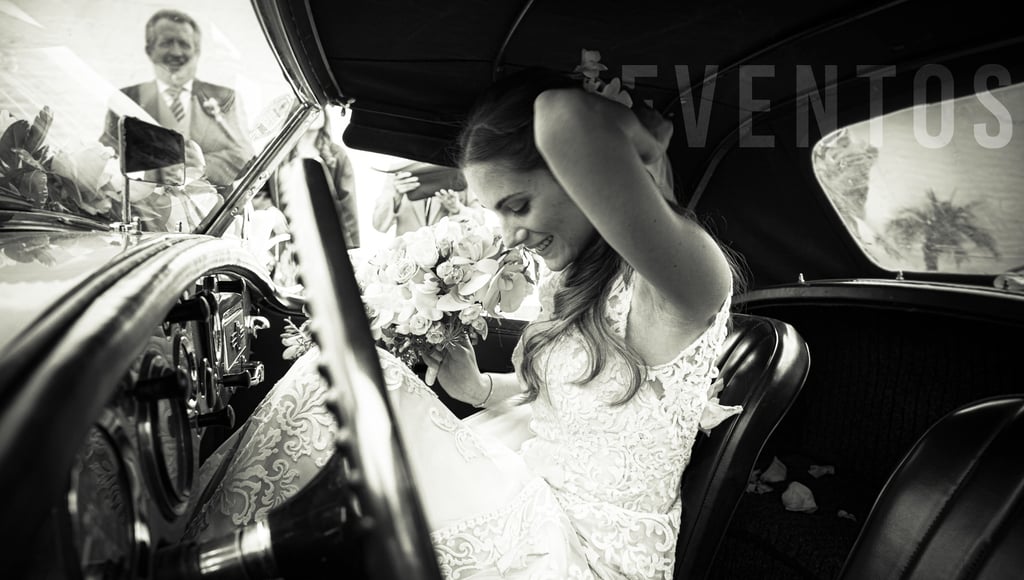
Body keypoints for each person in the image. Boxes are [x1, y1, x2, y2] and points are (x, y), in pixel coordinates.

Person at [187, 66, 745, 579]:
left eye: (518, 205)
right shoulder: (570, 286)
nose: (508, 234)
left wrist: (646, 145)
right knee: (348, 386)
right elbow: (573, 399)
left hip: (583, 555)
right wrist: (477, 388)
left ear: (582, 176)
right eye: (495, 211)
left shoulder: (682, 290)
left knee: (351, 399)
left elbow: (562, 117)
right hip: (536, 498)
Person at [100, 9, 254, 187]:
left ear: (197, 51)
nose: (176, 52)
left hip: (215, 204)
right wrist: (149, 173)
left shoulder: (225, 98)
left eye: (184, 44)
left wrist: (202, 166)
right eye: (166, 43)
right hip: (143, 203)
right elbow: (108, 156)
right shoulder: (126, 99)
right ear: (150, 50)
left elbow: (244, 156)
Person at [279, 108, 361, 249]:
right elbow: (262, 191)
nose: (316, 112)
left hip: (323, 237)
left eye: (320, 108)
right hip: (286, 234)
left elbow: (347, 206)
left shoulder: (337, 155)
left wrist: (350, 249)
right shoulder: (280, 152)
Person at [372, 163, 485, 236]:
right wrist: (395, 197)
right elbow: (379, 225)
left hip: (449, 259)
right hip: (407, 258)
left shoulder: (458, 168)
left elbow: (480, 222)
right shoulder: (398, 169)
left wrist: (457, 208)